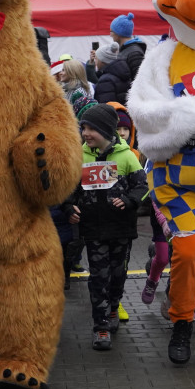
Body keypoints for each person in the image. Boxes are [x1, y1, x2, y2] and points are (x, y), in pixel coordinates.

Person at [67, 104, 147, 351]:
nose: (86, 133)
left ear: (105, 130)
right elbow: (69, 190)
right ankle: (100, 326)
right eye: (84, 128)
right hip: (93, 230)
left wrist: (129, 200)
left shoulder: (127, 156)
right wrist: (69, 207)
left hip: (121, 229)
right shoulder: (79, 156)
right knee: (98, 278)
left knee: (117, 275)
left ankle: (113, 307)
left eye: (91, 128)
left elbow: (142, 188)